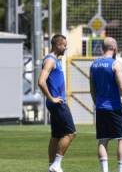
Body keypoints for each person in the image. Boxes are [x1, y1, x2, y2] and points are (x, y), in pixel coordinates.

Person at [89, 37, 122, 172]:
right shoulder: (115, 64)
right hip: (114, 108)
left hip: (100, 108)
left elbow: (92, 90)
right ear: (114, 48)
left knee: (103, 140)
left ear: (103, 48)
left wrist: (98, 104)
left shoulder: (94, 65)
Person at [38, 34, 76, 172]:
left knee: (56, 135)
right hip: (58, 103)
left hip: (55, 103)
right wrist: (52, 98)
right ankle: (56, 164)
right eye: (64, 45)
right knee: (71, 133)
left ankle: (50, 166)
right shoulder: (50, 60)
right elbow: (41, 81)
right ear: (57, 45)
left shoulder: (55, 60)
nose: (66, 48)